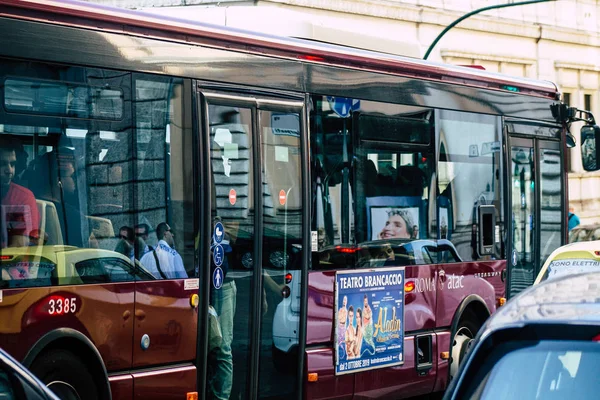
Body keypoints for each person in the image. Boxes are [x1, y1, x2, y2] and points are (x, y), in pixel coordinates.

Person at [0, 138, 40, 248]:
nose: (9, 171)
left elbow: (18, 248)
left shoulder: (21, 198)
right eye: (2, 164)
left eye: (12, 164)